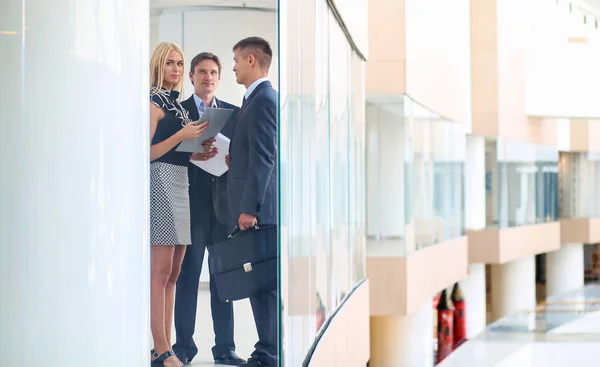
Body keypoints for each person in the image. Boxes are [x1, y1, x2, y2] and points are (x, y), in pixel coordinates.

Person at [172, 52, 245, 366]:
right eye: (202, 72)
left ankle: (225, 350)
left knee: (222, 281)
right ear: (191, 76)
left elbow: (245, 157)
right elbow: (166, 156)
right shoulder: (179, 111)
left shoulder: (233, 113)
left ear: (220, 77)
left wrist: (232, 161)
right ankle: (184, 350)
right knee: (187, 280)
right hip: (188, 207)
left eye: (214, 72)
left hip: (223, 209)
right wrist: (189, 155)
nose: (208, 77)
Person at [149, 42, 207, 367]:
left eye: (180, 63)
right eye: (170, 62)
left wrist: (198, 150)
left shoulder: (180, 106)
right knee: (159, 272)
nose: (175, 69)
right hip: (160, 181)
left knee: (174, 273)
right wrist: (182, 136)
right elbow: (148, 152)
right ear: (159, 65)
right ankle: (161, 348)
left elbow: (179, 148)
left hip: (181, 182)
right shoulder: (153, 101)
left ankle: (164, 347)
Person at [226, 36, 278, 367]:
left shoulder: (263, 100)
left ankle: (269, 354)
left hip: (258, 212)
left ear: (250, 61)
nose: (232, 66)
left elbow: (265, 158)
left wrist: (249, 209)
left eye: (235, 60)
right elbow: (253, 155)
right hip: (256, 209)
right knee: (259, 285)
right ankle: (266, 351)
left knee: (264, 288)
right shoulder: (253, 99)